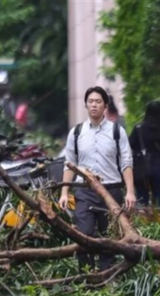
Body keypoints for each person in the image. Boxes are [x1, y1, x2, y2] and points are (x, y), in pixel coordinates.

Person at [59, 86, 137, 272]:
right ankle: (87, 276)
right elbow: (69, 163)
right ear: (86, 105)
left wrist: (130, 191)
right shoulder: (76, 133)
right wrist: (64, 192)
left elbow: (127, 162)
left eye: (98, 101)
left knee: (108, 236)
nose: (94, 105)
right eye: (91, 101)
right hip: (84, 191)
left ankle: (106, 275)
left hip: (111, 191)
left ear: (105, 106)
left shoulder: (117, 132)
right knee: (84, 234)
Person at [128, 101, 160, 207]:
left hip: (141, 168)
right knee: (159, 199)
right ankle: (158, 220)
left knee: (141, 199)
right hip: (159, 167)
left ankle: (142, 220)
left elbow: (129, 144)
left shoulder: (139, 129)